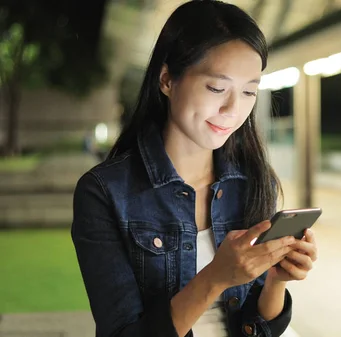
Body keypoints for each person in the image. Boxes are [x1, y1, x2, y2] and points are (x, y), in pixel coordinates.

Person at [70, 1, 318, 337]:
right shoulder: (104, 192)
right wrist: (215, 277)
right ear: (167, 79)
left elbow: (257, 327)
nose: (233, 109)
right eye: (217, 88)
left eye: (248, 92)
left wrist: (276, 279)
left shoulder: (252, 182)